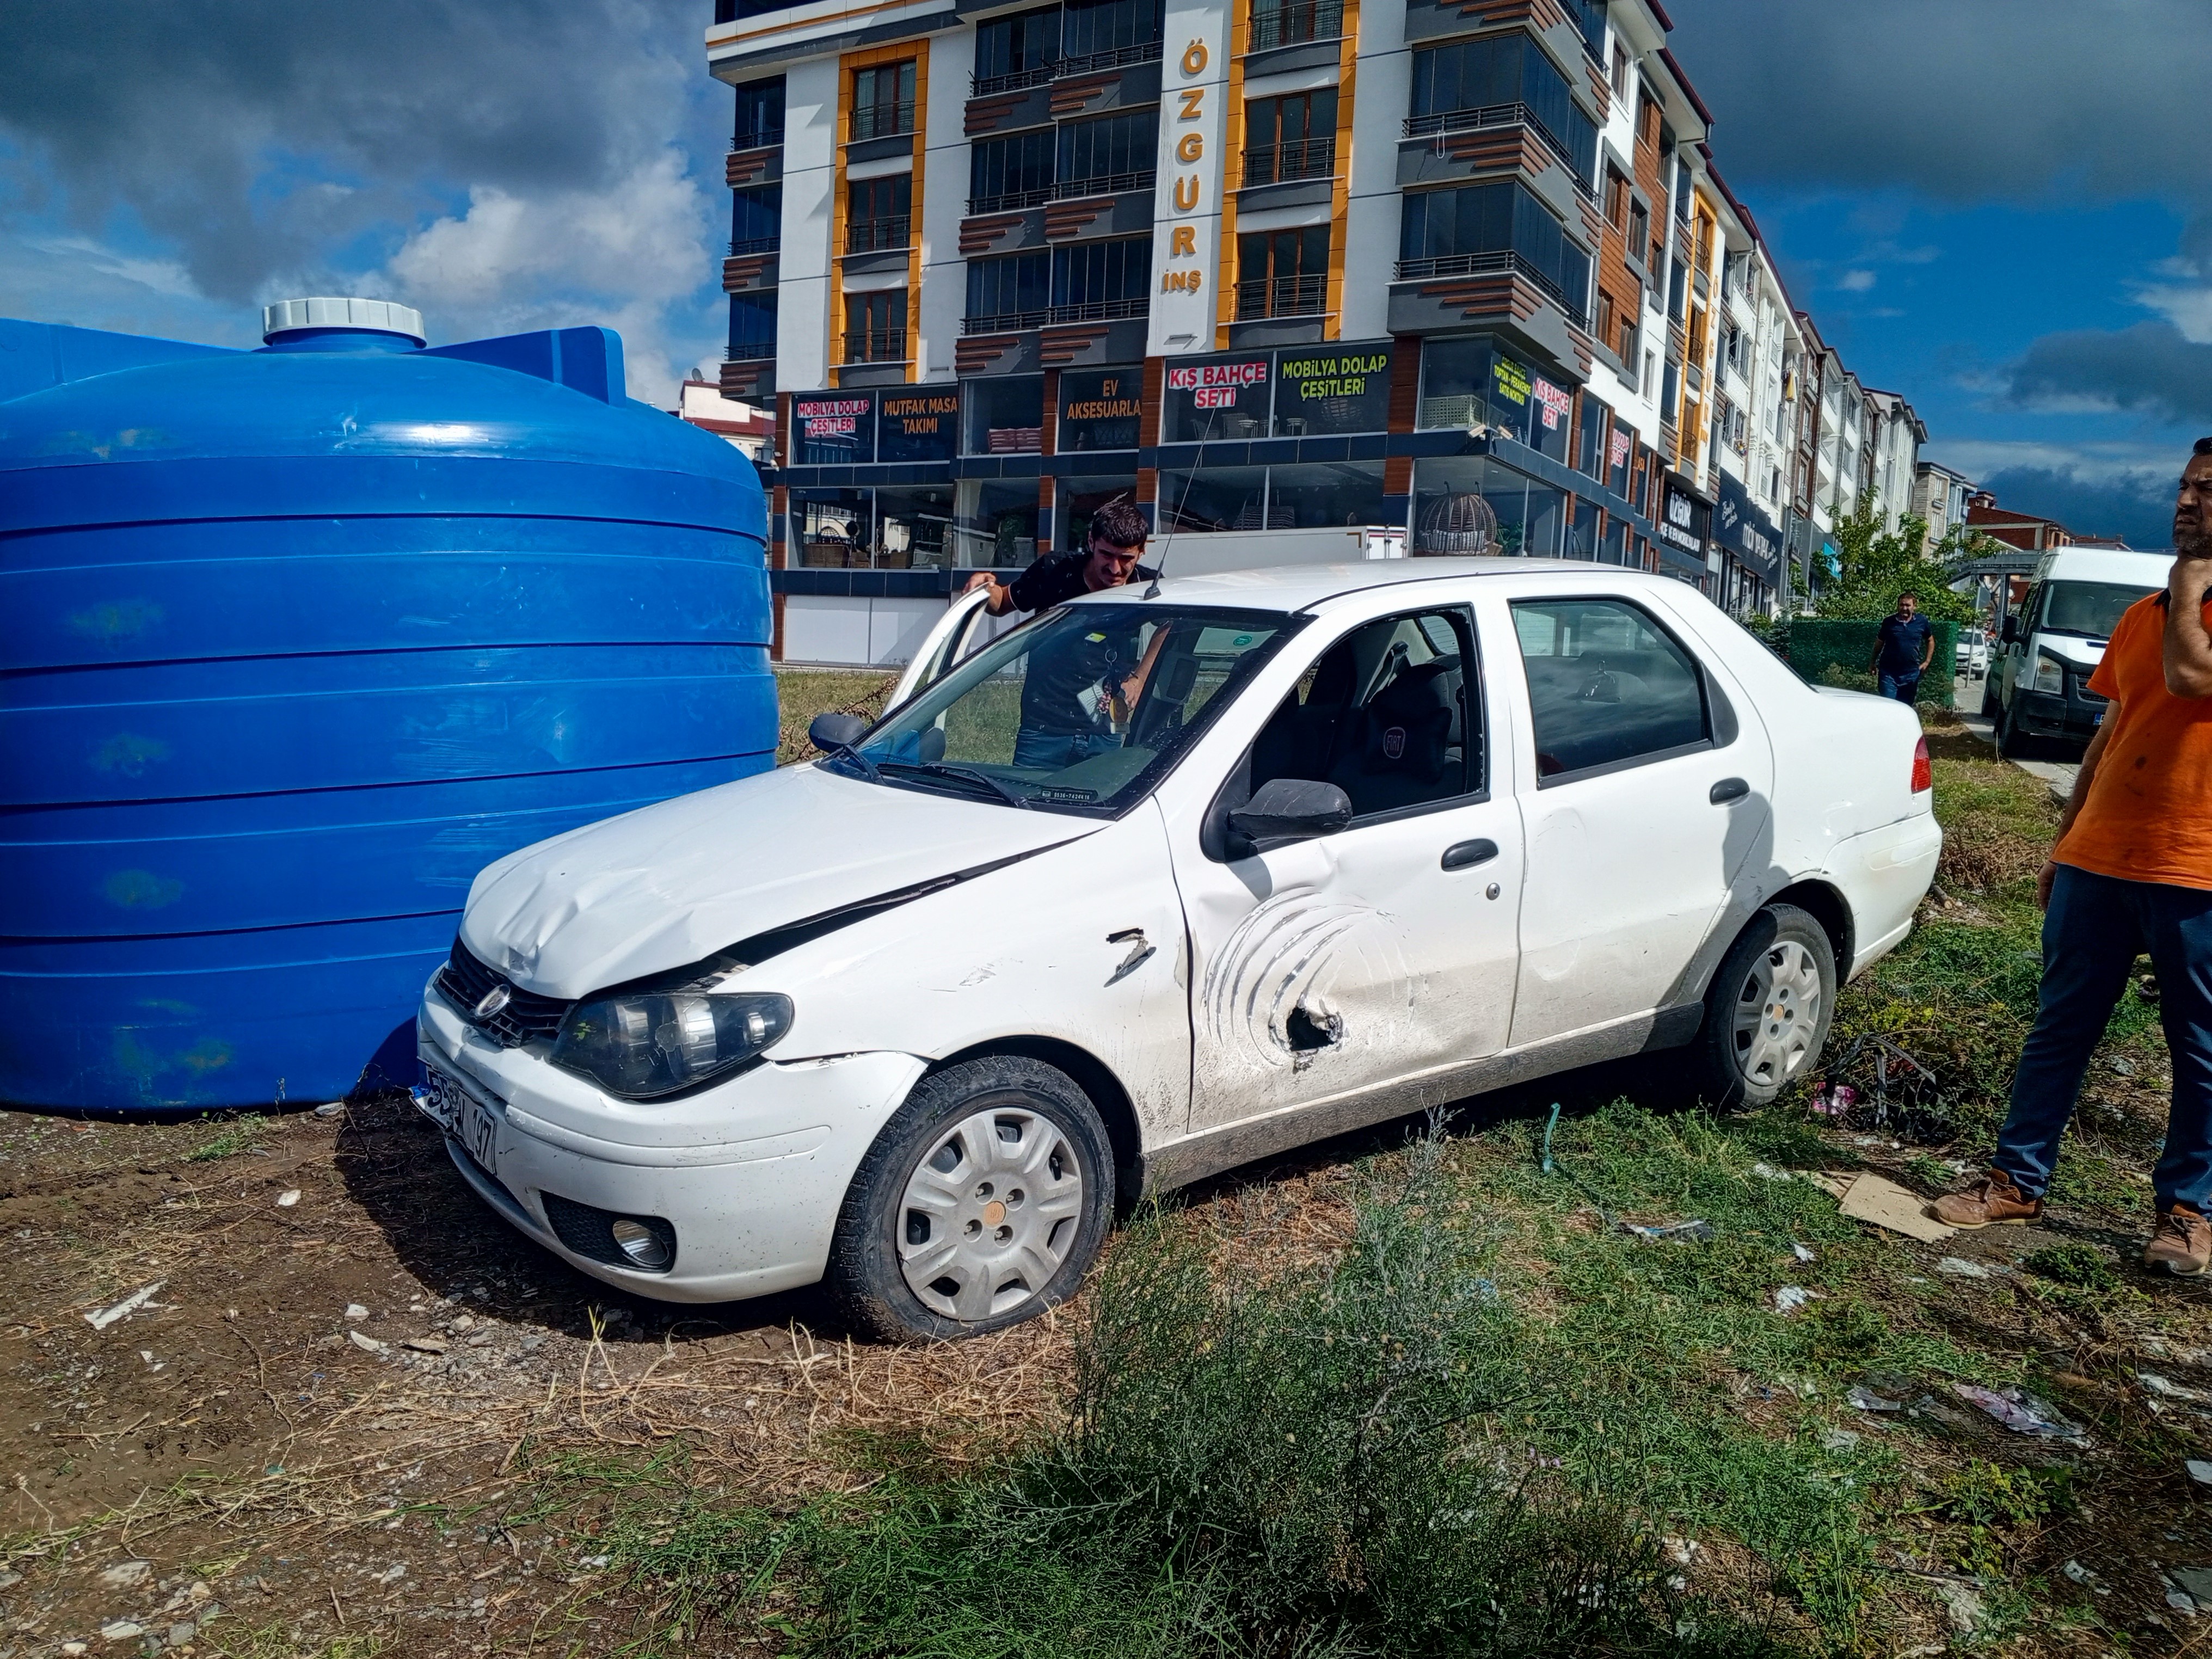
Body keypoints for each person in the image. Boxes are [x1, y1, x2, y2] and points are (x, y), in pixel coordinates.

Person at [1934, 438, 2212, 1274]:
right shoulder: (2140, 618)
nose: (2187, 501)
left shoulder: (2179, 611)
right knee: (2060, 1028)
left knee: (2200, 1051)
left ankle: (2187, 1213)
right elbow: (2110, 735)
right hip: (2100, 860)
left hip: (2197, 870)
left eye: (2208, 491)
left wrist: (2190, 583)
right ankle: (2016, 1182)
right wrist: (2064, 843)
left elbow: (2192, 676)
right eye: (2185, 486)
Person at [963, 500, 1165, 771]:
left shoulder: (1148, 587)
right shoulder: (1055, 570)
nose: (1116, 569)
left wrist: (1140, 680)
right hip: (1044, 727)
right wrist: (985, 588)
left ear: (1142, 550)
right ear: (1091, 542)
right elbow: (1003, 603)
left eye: (1126, 558)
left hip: (1107, 728)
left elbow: (1170, 623)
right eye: (1106, 555)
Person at [1869, 589, 1936, 704]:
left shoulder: (1922, 621)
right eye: (1902, 605)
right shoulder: (1889, 622)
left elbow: (1930, 640)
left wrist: (1927, 661)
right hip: (1889, 674)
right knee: (1889, 705)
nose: (1904, 608)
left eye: (1908, 605)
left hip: (1911, 674)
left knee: (1905, 707)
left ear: (1915, 606)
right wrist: (1872, 663)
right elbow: (1879, 643)